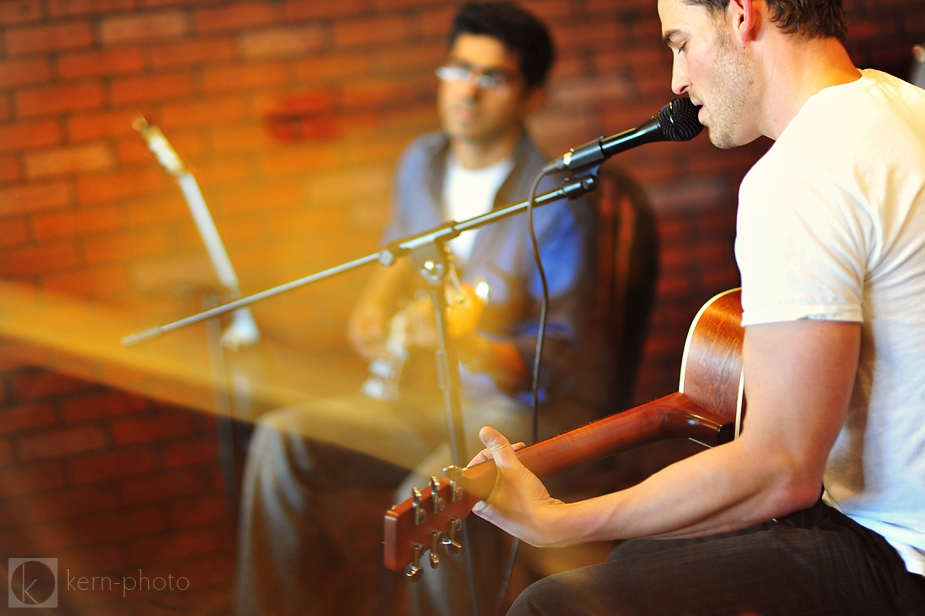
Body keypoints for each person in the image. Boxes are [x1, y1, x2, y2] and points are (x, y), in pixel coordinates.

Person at [469, 1, 925, 615]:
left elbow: (779, 470)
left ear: (742, 15)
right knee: (639, 563)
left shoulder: (802, 174)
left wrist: (558, 520)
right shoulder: (902, 106)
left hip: (897, 554)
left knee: (550, 607)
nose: (675, 81)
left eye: (680, 42)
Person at [234, 3, 613, 615]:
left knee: (430, 498)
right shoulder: (422, 162)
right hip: (418, 396)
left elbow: (554, 367)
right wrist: (373, 309)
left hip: (507, 411)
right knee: (282, 439)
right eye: (458, 69)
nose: (468, 89)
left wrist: (460, 343)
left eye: (492, 77)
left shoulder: (554, 198)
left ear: (532, 96)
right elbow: (402, 251)